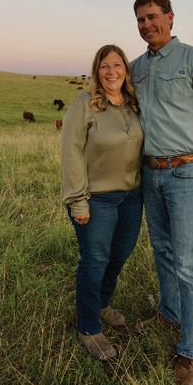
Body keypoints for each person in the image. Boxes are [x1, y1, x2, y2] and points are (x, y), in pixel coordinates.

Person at [130, 0, 193, 385]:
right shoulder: (136, 68)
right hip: (150, 172)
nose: (146, 25)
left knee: (188, 263)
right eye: (140, 19)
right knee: (163, 250)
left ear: (170, 18)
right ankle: (170, 313)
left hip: (187, 171)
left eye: (153, 17)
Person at [61, 44, 144, 360]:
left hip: (132, 197)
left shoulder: (133, 105)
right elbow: (71, 153)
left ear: (126, 70)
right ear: (97, 71)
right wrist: (78, 201)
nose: (112, 71)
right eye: (105, 65)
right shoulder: (84, 104)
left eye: (117, 65)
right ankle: (88, 327)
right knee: (95, 260)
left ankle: (102, 303)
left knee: (119, 255)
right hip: (96, 198)